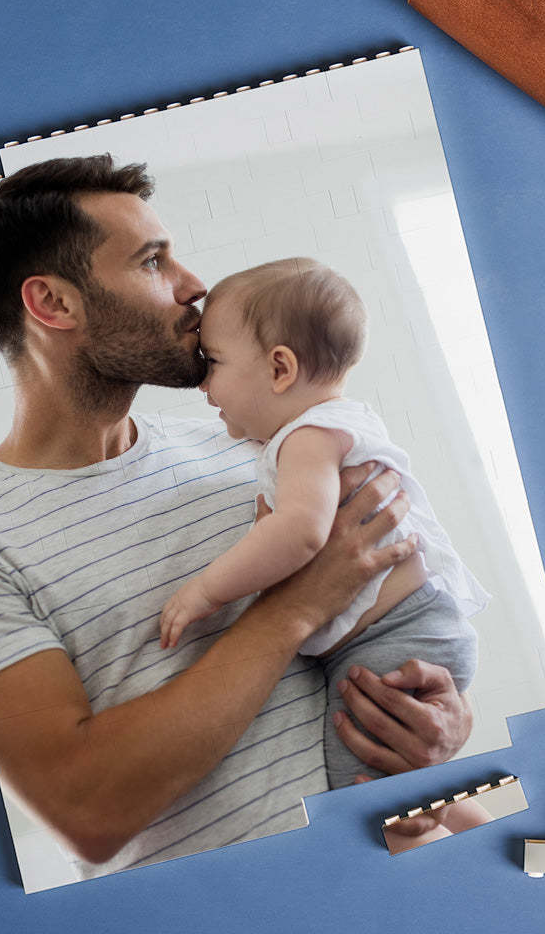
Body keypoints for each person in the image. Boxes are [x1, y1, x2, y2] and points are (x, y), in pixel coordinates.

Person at [0, 154, 473, 881]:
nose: (193, 286)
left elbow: (390, 635)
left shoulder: (254, 450)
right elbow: (86, 811)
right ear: (54, 305)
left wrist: (439, 730)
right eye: (154, 261)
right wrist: (294, 607)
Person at [159, 258, 487, 787]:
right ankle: (461, 814)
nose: (204, 385)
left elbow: (301, 532)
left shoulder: (306, 438)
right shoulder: (334, 424)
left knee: (357, 785)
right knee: (396, 782)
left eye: (213, 362)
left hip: (393, 636)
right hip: (409, 629)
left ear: (280, 369)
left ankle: (465, 823)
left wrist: (206, 590)